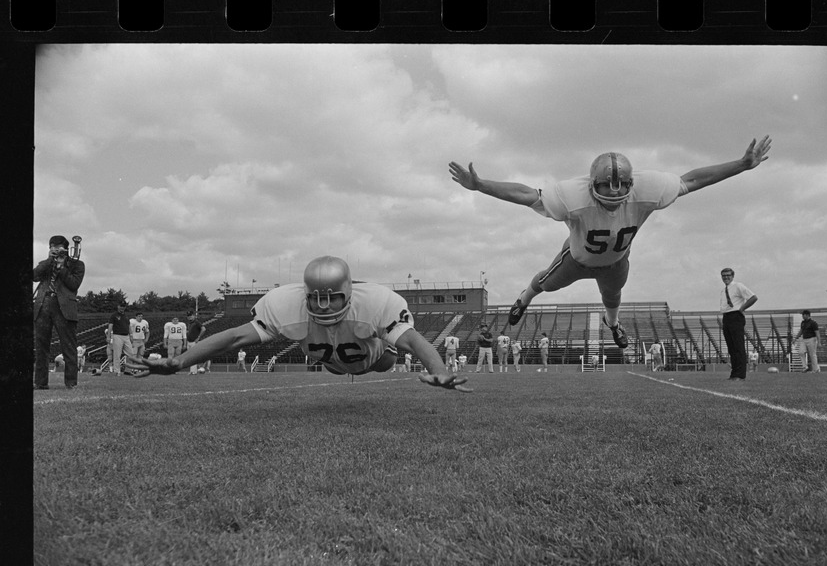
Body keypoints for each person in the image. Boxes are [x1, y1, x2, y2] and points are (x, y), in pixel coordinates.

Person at [449, 137, 771, 349]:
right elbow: (526, 195)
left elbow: (693, 180)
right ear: (592, 187)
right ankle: (523, 299)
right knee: (546, 283)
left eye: (621, 192)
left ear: (632, 185)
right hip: (577, 258)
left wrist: (740, 165)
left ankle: (613, 325)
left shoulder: (650, 188)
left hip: (616, 260)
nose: (615, 199)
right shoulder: (571, 196)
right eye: (607, 193)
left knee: (613, 296)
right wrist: (481, 186)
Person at [128, 256, 470, 392]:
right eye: (315, 297)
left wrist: (439, 369)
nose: (323, 305)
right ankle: (345, 361)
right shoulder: (285, 303)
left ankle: (380, 348)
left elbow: (414, 341)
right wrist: (179, 361)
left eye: (332, 297)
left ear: (349, 292)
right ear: (303, 293)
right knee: (336, 366)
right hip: (329, 357)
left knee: (387, 359)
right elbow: (233, 338)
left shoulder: (376, 302)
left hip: (371, 352)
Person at [33, 235, 85, 390]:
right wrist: (50, 261)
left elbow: (74, 284)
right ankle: (41, 383)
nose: (55, 249)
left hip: (64, 307)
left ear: (66, 248)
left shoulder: (77, 264)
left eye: (58, 246)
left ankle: (71, 382)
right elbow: (34, 276)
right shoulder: (45, 264)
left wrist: (61, 268)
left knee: (68, 347)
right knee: (41, 347)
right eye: (52, 246)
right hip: (43, 305)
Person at [719, 268, 758, 381]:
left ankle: (740, 374)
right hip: (727, 317)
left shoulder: (738, 286)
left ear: (733, 275)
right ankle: (734, 373)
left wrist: (742, 309)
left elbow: (753, 297)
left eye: (728, 275)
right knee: (731, 347)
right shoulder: (723, 290)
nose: (726, 277)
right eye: (723, 276)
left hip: (736, 316)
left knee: (738, 346)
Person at [107, 303, 134, 376]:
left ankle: (128, 370)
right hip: (117, 335)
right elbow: (110, 326)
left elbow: (128, 326)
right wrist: (108, 336)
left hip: (126, 336)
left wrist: (131, 335)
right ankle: (117, 371)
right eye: (121, 306)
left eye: (123, 306)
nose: (122, 308)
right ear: (118, 306)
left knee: (131, 353)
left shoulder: (126, 315)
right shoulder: (114, 315)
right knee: (117, 354)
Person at [186, 309, 207, 375]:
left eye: (191, 315)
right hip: (189, 341)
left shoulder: (196, 322)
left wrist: (198, 337)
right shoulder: (190, 323)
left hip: (194, 341)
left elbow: (203, 329)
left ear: (194, 316)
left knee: (193, 357)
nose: (190, 317)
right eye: (188, 316)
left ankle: (194, 371)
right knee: (190, 357)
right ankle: (193, 370)